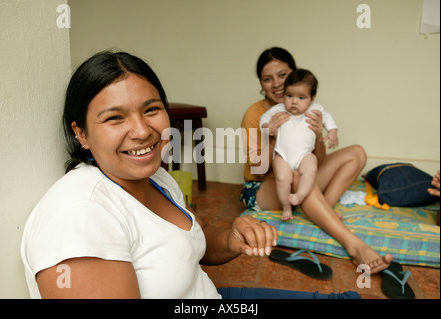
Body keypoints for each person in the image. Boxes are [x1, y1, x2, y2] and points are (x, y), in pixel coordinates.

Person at [20, 50, 362, 299]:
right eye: (115, 118)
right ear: (81, 134)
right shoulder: (78, 216)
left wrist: (231, 238)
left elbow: (186, 240)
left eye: (151, 110)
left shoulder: (156, 178)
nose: (142, 131)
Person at [240, 47, 393, 274]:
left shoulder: (308, 109)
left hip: (299, 180)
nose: (277, 84)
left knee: (357, 153)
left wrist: (319, 135)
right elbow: (259, 170)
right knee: (295, 175)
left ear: (295, 74)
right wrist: (271, 137)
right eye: (267, 79)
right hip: (263, 187)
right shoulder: (256, 115)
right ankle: (355, 246)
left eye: (283, 75)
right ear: (261, 84)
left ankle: (323, 210)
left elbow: (318, 163)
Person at [260, 69, 338, 220]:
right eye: (289, 96)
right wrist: (266, 126)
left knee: (311, 167)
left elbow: (328, 120)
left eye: (301, 97)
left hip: (304, 155)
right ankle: (286, 207)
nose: (294, 101)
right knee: (282, 179)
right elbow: (264, 117)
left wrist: (332, 132)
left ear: (312, 97)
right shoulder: (280, 109)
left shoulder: (316, 109)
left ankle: (300, 195)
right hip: (282, 155)